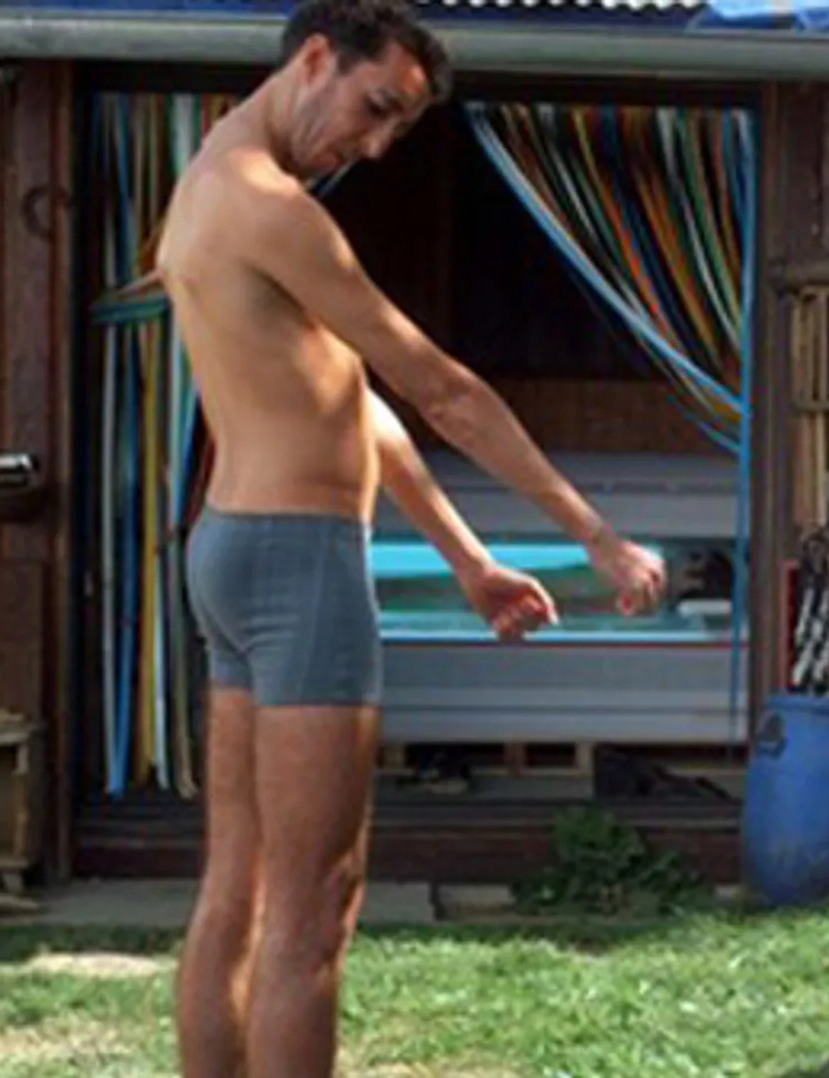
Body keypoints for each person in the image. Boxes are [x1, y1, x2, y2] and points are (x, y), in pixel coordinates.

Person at [155, 1, 668, 1075]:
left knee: (238, 885)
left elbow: (345, 399)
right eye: (376, 106)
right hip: (297, 567)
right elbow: (443, 393)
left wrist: (467, 559)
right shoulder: (278, 212)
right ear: (314, 59)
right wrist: (596, 536)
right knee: (315, 908)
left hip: (228, 552)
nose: (378, 144)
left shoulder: (203, 185)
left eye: (401, 125)